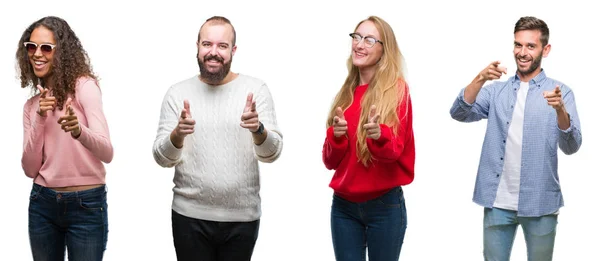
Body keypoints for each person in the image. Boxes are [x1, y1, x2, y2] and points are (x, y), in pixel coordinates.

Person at [449, 16, 582, 261]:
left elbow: (571, 146)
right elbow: (459, 112)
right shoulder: (495, 91)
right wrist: (479, 79)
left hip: (541, 201)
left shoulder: (560, 93)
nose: (522, 52)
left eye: (530, 46)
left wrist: (560, 110)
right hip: (497, 202)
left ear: (546, 49)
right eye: (518, 45)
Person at [152, 16, 283, 261]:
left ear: (233, 50)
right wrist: (177, 134)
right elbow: (161, 158)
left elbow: (272, 154)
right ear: (197, 47)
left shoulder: (256, 90)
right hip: (189, 216)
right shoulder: (177, 93)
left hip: (242, 218)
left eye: (222, 46)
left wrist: (259, 130)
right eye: (207, 44)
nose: (213, 52)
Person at [18, 16, 114, 261]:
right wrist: (41, 117)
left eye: (46, 48)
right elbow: (30, 169)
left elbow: (107, 152)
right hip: (43, 204)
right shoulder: (31, 106)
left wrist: (79, 131)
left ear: (62, 52)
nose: (37, 54)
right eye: (32, 46)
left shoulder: (84, 87)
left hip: (86, 204)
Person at [322, 16, 415, 261]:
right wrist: (337, 136)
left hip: (384, 207)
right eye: (356, 37)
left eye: (369, 39)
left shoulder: (396, 90)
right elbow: (330, 162)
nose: (359, 44)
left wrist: (379, 135)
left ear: (385, 50)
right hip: (343, 208)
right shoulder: (345, 94)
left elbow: (395, 151)